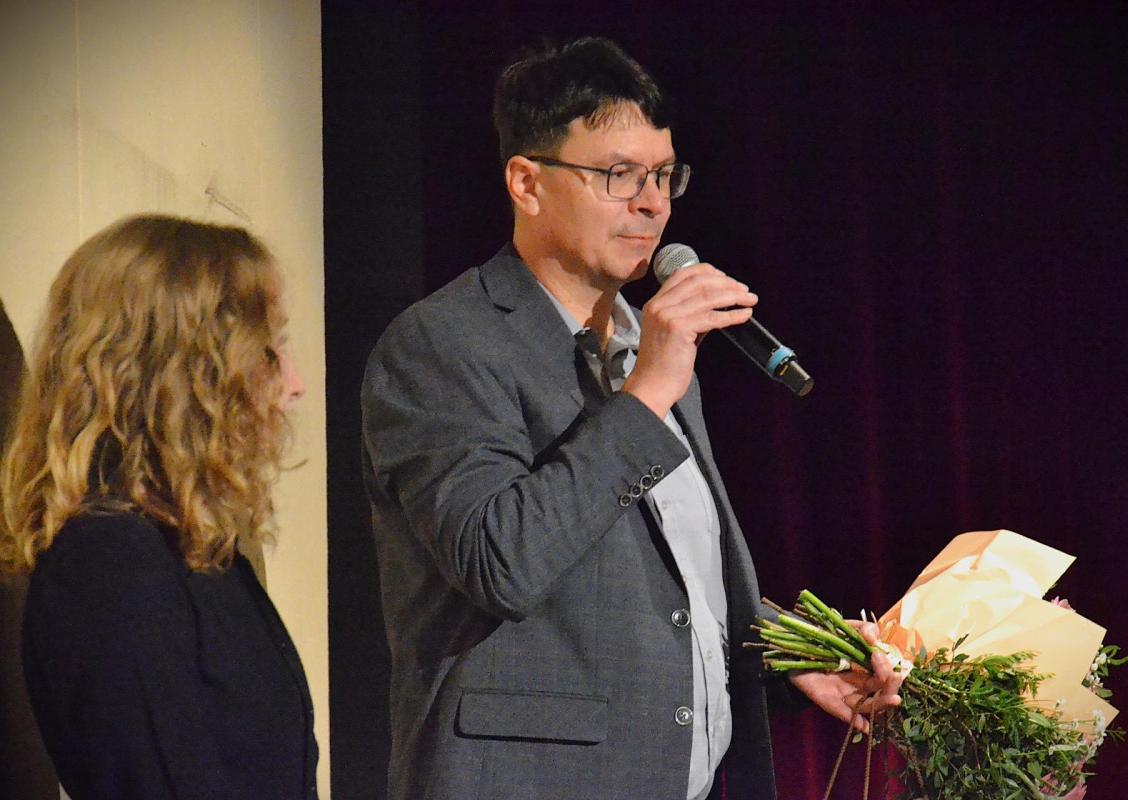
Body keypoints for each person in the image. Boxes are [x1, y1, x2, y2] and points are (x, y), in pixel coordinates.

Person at [361, 37, 902, 800]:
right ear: (527, 183)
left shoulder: (645, 350)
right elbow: (498, 560)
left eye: (663, 175)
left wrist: (796, 655)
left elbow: (664, 581)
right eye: (619, 175)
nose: (652, 204)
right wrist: (647, 393)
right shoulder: (444, 343)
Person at [0, 214, 318, 800]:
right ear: (188, 374)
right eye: (269, 350)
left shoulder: (188, 548)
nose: (294, 383)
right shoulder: (109, 567)